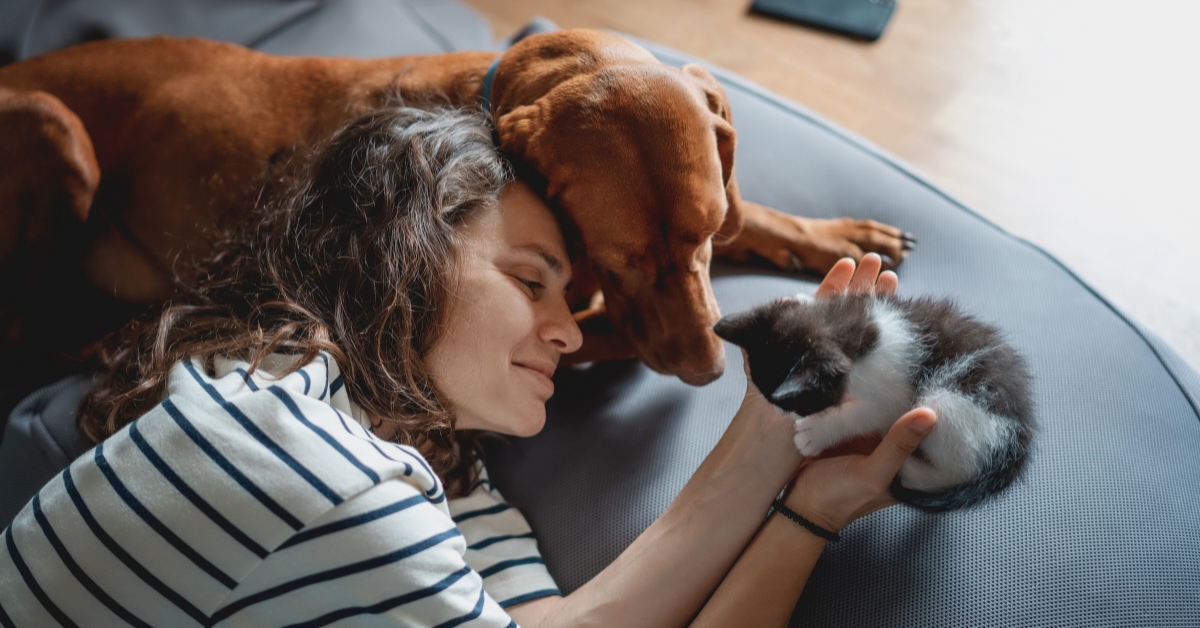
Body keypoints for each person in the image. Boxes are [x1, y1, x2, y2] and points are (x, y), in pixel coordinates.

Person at [0, 105, 935, 627]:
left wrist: (797, 490)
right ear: (397, 252)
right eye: (533, 281)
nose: (570, 335)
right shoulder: (291, 448)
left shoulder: (443, 472)